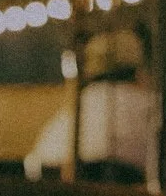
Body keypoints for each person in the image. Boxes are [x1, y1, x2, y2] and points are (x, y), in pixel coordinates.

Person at [24, 26, 157, 185]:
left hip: (59, 194)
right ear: (137, 70)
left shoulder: (77, 107)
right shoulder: (147, 103)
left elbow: (35, 163)